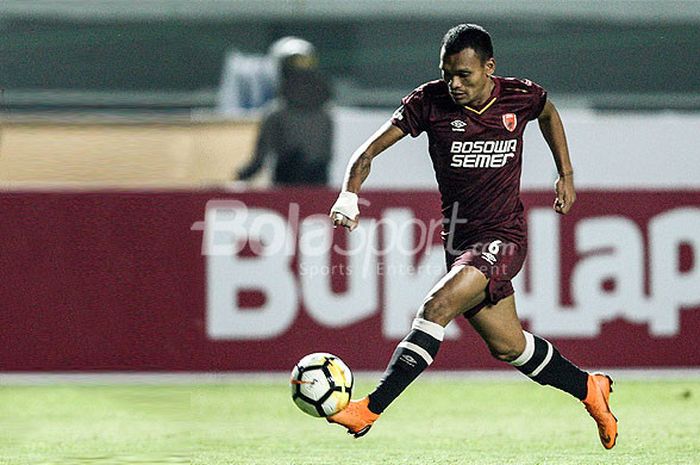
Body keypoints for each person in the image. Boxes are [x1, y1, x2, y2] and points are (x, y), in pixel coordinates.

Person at [327, 24, 618, 449]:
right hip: (460, 242)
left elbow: (549, 114)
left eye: (464, 74)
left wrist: (566, 174)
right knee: (509, 346)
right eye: (448, 74)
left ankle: (368, 409)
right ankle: (590, 389)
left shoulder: (520, 95)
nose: (455, 84)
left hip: (504, 235)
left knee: (435, 306)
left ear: (489, 67)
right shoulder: (429, 102)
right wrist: (349, 194)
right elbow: (367, 151)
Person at [235, 37, 333, 186]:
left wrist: (236, 179)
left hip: (285, 193)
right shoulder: (327, 115)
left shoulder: (275, 115)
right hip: (320, 195)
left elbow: (258, 162)